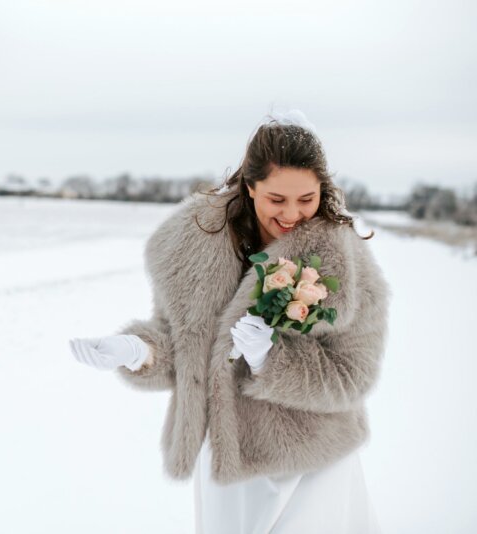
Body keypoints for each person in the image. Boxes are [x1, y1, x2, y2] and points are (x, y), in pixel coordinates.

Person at [70, 111, 389, 533]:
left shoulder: (345, 263)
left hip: (314, 464)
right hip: (231, 462)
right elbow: (182, 345)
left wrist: (271, 361)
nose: (292, 213)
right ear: (251, 186)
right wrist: (138, 351)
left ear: (322, 191)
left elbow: (353, 376)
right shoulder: (194, 246)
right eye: (277, 199)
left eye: (306, 199)